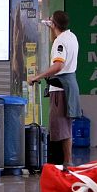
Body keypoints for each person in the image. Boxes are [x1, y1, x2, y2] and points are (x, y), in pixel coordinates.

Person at [27, 10, 81, 165]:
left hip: (60, 89)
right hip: (69, 87)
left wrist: (37, 76)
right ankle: (67, 162)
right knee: (66, 128)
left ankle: (61, 164)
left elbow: (58, 65)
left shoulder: (60, 41)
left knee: (59, 128)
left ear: (54, 24)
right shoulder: (72, 37)